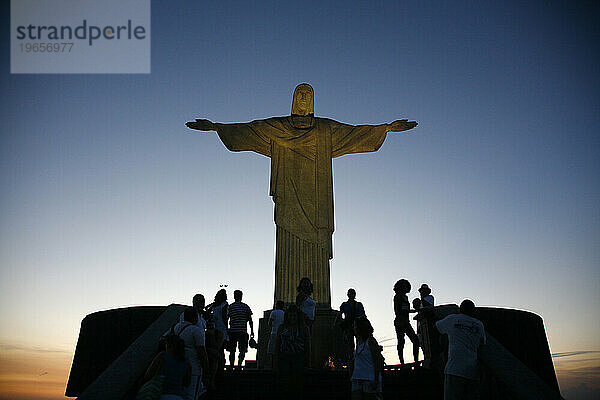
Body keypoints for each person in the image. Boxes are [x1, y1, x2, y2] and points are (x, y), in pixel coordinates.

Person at [436, 299, 486, 400]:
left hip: (454, 369)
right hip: (472, 371)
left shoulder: (452, 319)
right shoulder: (479, 324)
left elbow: (437, 327)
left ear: (460, 309)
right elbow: (482, 343)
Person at [169, 307, 207, 400]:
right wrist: (206, 369)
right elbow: (201, 351)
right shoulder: (196, 331)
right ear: (196, 318)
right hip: (194, 368)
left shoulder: (175, 328)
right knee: (191, 396)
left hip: (177, 366)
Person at [274, 305, 311, 400]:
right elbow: (277, 344)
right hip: (284, 358)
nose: (292, 318)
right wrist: (276, 361)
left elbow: (307, 346)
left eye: (294, 316)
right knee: (285, 383)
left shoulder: (304, 328)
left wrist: (308, 361)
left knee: (297, 383)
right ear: (287, 316)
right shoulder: (282, 328)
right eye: (290, 316)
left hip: (299, 357)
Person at [142, 334, 191, 400]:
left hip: (161, 395)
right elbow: (187, 383)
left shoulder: (162, 356)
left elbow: (148, 375)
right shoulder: (187, 361)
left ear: (168, 345)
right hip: (178, 396)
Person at [350, 317, 384, 400]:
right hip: (357, 377)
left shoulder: (371, 341)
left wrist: (376, 379)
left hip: (369, 378)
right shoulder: (358, 343)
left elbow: (377, 360)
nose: (354, 328)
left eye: (355, 326)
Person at [393, 279, 419, 365]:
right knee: (401, 342)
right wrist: (408, 311)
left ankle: (416, 360)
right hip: (400, 321)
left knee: (415, 340)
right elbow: (398, 311)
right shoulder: (397, 296)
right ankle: (402, 362)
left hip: (405, 321)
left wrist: (412, 311)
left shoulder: (405, 297)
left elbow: (405, 310)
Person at [226, 289, 254, 367]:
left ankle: (231, 365)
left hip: (232, 332)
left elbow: (226, 319)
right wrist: (252, 331)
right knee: (242, 350)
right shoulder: (245, 307)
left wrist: (227, 330)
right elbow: (250, 320)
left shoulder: (230, 307)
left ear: (234, 296)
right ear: (241, 296)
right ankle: (239, 365)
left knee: (232, 350)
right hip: (242, 331)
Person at [340, 288, 366, 362]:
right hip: (348, 326)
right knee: (350, 345)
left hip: (357, 326)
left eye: (352, 293)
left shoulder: (358, 305)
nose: (351, 295)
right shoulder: (344, 304)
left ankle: (358, 359)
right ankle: (351, 360)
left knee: (359, 343)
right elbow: (340, 314)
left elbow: (363, 315)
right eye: (350, 293)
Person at [208, 289, 228, 372]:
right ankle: (221, 366)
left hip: (214, 328)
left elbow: (207, 310)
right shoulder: (224, 304)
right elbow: (224, 316)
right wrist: (227, 327)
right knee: (221, 348)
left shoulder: (214, 305)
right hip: (221, 327)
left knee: (215, 348)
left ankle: (216, 368)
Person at [203, 318, 224, 391]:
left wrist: (211, 336)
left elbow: (217, 346)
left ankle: (211, 380)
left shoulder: (219, 333)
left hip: (214, 354)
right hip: (208, 353)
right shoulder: (203, 334)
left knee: (214, 358)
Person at [267, 300, 285, 366]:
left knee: (272, 350)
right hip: (282, 333)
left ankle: (272, 365)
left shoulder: (273, 312)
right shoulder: (284, 313)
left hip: (274, 332)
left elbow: (269, 323)